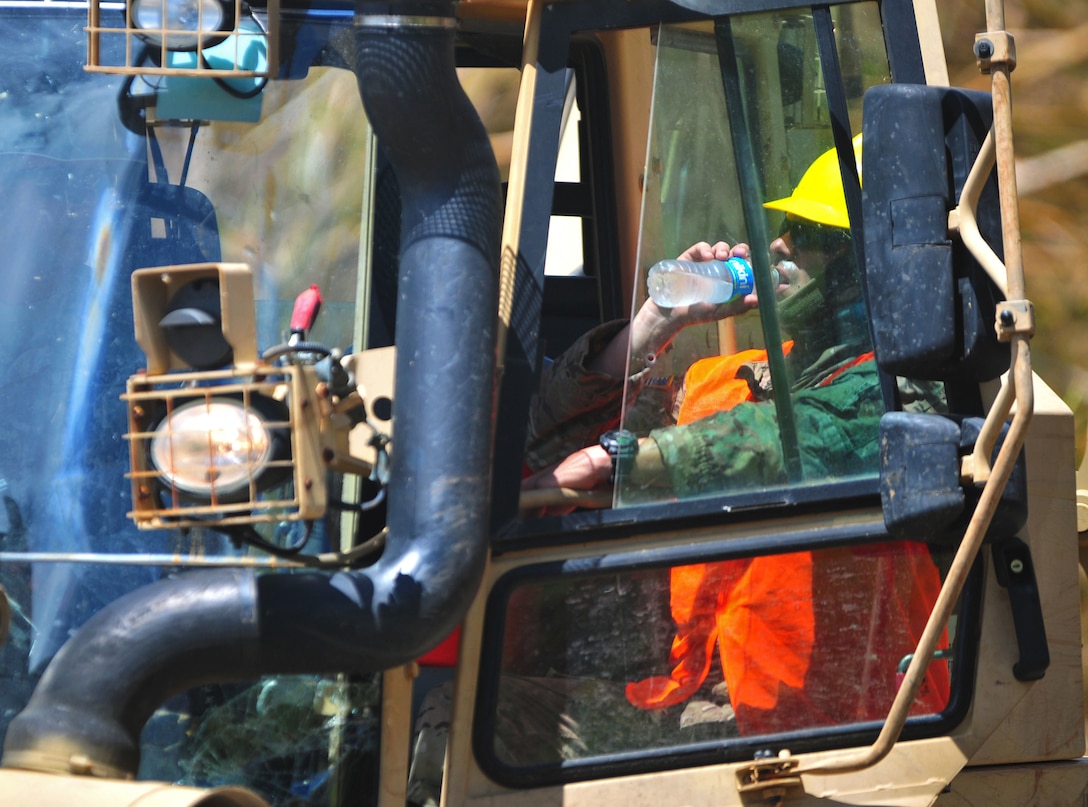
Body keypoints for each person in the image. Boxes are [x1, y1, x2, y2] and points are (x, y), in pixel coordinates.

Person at [521, 136, 951, 736]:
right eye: (784, 225)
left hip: (833, 734)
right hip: (692, 706)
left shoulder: (906, 392)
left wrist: (619, 461)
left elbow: (795, 438)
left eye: (811, 234)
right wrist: (654, 325)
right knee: (460, 718)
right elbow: (541, 444)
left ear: (868, 267)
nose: (780, 245)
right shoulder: (730, 377)